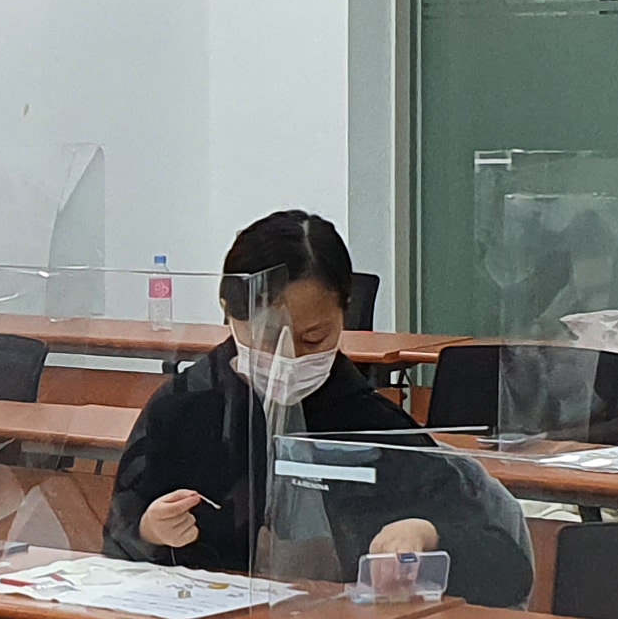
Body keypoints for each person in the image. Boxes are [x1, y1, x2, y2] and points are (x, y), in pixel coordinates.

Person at [106, 210, 532, 597]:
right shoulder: (181, 409)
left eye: (313, 338)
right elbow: (117, 539)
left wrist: (426, 533)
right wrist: (148, 530)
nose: (289, 358)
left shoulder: (374, 426)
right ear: (228, 313)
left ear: (346, 313)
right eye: (268, 338)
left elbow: (506, 568)